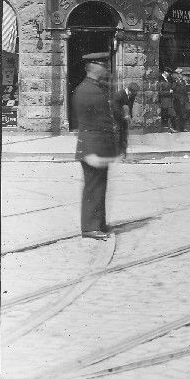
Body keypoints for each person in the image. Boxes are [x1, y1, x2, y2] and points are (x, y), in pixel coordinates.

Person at [73, 53, 119, 240]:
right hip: (93, 147)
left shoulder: (91, 88)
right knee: (94, 187)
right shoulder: (90, 90)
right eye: (103, 66)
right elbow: (96, 123)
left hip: (95, 146)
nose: (106, 69)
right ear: (94, 67)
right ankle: (91, 228)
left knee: (98, 186)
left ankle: (97, 223)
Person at [111, 82, 138, 157]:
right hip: (117, 117)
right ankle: (116, 154)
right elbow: (115, 109)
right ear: (129, 90)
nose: (134, 95)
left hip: (125, 117)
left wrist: (130, 116)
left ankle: (123, 154)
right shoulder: (119, 95)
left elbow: (130, 107)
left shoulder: (132, 95)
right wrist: (123, 116)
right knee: (117, 136)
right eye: (133, 93)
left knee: (124, 136)